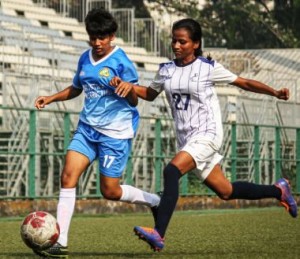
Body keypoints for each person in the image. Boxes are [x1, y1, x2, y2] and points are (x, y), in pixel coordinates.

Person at [110, 18, 298, 252]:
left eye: (182, 41)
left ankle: (158, 233)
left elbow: (244, 82)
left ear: (196, 43)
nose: (176, 46)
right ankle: (279, 190)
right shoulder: (166, 70)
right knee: (226, 191)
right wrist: (128, 86)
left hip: (207, 134)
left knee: (171, 171)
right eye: (174, 41)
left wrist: (274, 92)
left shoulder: (207, 67)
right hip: (187, 140)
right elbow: (149, 93)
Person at [33, 8, 160, 258]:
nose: (97, 42)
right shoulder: (85, 58)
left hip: (115, 133)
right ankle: (61, 242)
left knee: (110, 191)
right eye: (93, 37)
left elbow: (134, 101)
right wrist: (51, 98)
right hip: (87, 129)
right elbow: (77, 88)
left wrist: (127, 88)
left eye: (102, 38)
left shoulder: (121, 62)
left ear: (112, 36)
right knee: (68, 176)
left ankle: (154, 201)